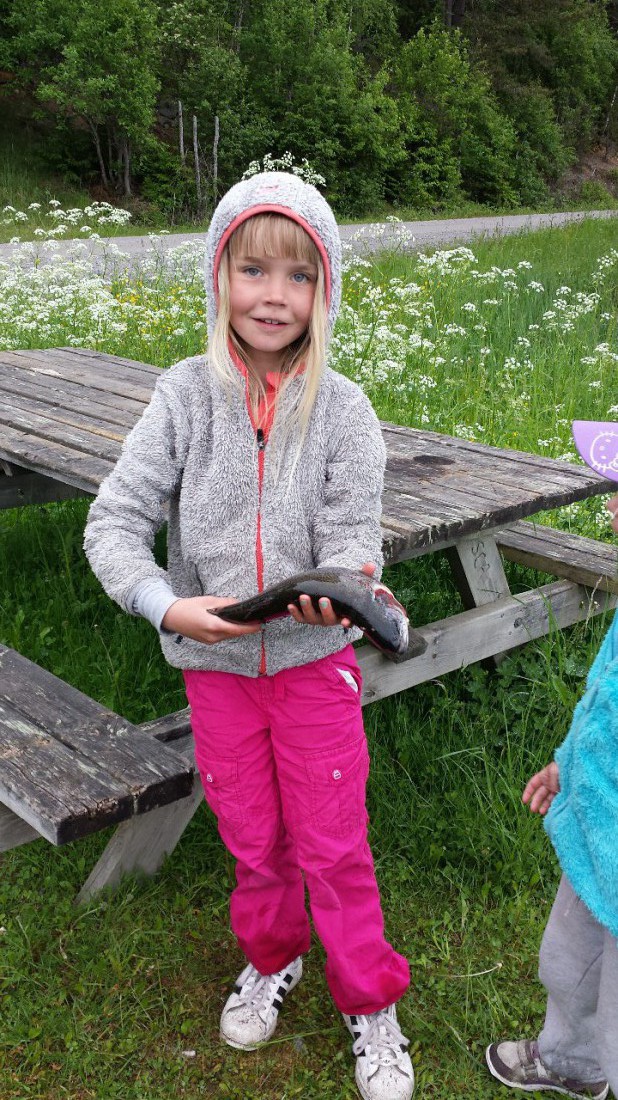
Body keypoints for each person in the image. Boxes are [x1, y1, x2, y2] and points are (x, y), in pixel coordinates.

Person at [84, 171, 413, 1100]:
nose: (274, 295)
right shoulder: (182, 396)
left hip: (316, 671)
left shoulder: (346, 411)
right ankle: (273, 958)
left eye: (299, 276)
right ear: (219, 277)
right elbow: (113, 524)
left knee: (333, 844)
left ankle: (369, 1000)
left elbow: (353, 546)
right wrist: (166, 606)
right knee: (253, 838)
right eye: (254, 270)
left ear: (325, 290)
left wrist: (346, 592)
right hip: (215, 671)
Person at [486, 493, 618, 1100]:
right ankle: (572, 1060)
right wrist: (570, 763)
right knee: (569, 960)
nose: (611, 506)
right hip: (600, 834)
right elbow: (604, 704)